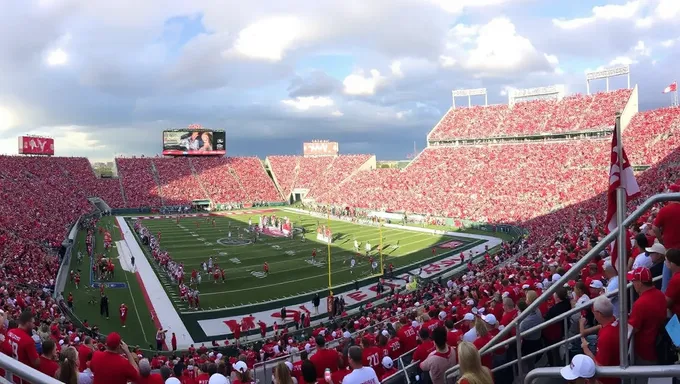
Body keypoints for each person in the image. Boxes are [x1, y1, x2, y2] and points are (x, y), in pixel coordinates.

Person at [627, 267, 667, 365]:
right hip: (658, 345)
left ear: (639, 283)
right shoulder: (660, 294)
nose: (633, 284)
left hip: (645, 351)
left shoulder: (640, 303)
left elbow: (632, 329)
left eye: (634, 281)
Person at [580, 296, 619, 384]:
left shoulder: (607, 336)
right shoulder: (614, 321)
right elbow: (584, 333)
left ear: (598, 313)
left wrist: (586, 350)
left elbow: (599, 367)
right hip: (615, 371)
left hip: (607, 379)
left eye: (594, 312)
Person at [664, 249, 680, 318]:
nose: (665, 263)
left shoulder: (676, 280)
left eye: (666, 261)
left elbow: (666, 302)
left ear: (672, 263)